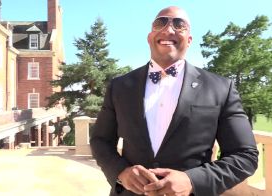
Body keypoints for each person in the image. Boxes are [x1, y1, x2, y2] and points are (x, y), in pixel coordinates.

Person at [89, 6, 258, 196]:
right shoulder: (119, 86)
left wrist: (192, 181)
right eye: (160, 22)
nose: (168, 30)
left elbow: (245, 156)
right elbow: (100, 140)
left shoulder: (221, 88)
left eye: (179, 24)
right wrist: (121, 172)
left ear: (189, 40)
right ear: (150, 36)